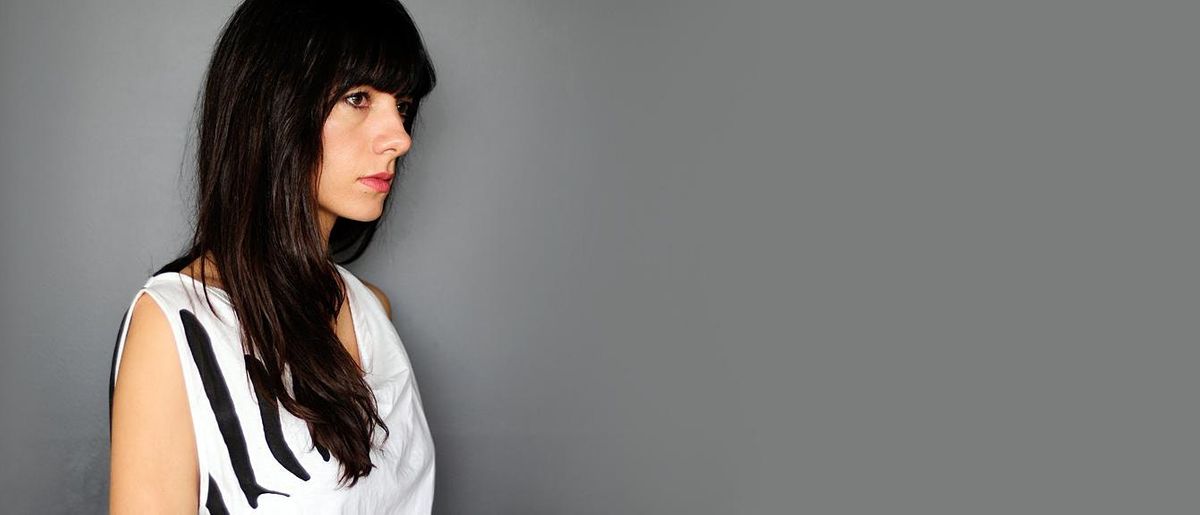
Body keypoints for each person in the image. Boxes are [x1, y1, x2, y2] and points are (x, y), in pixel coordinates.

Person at [107, 0, 438, 512]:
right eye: (357, 98)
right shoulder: (175, 327)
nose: (400, 138)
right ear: (274, 107)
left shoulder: (370, 309)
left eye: (403, 105)